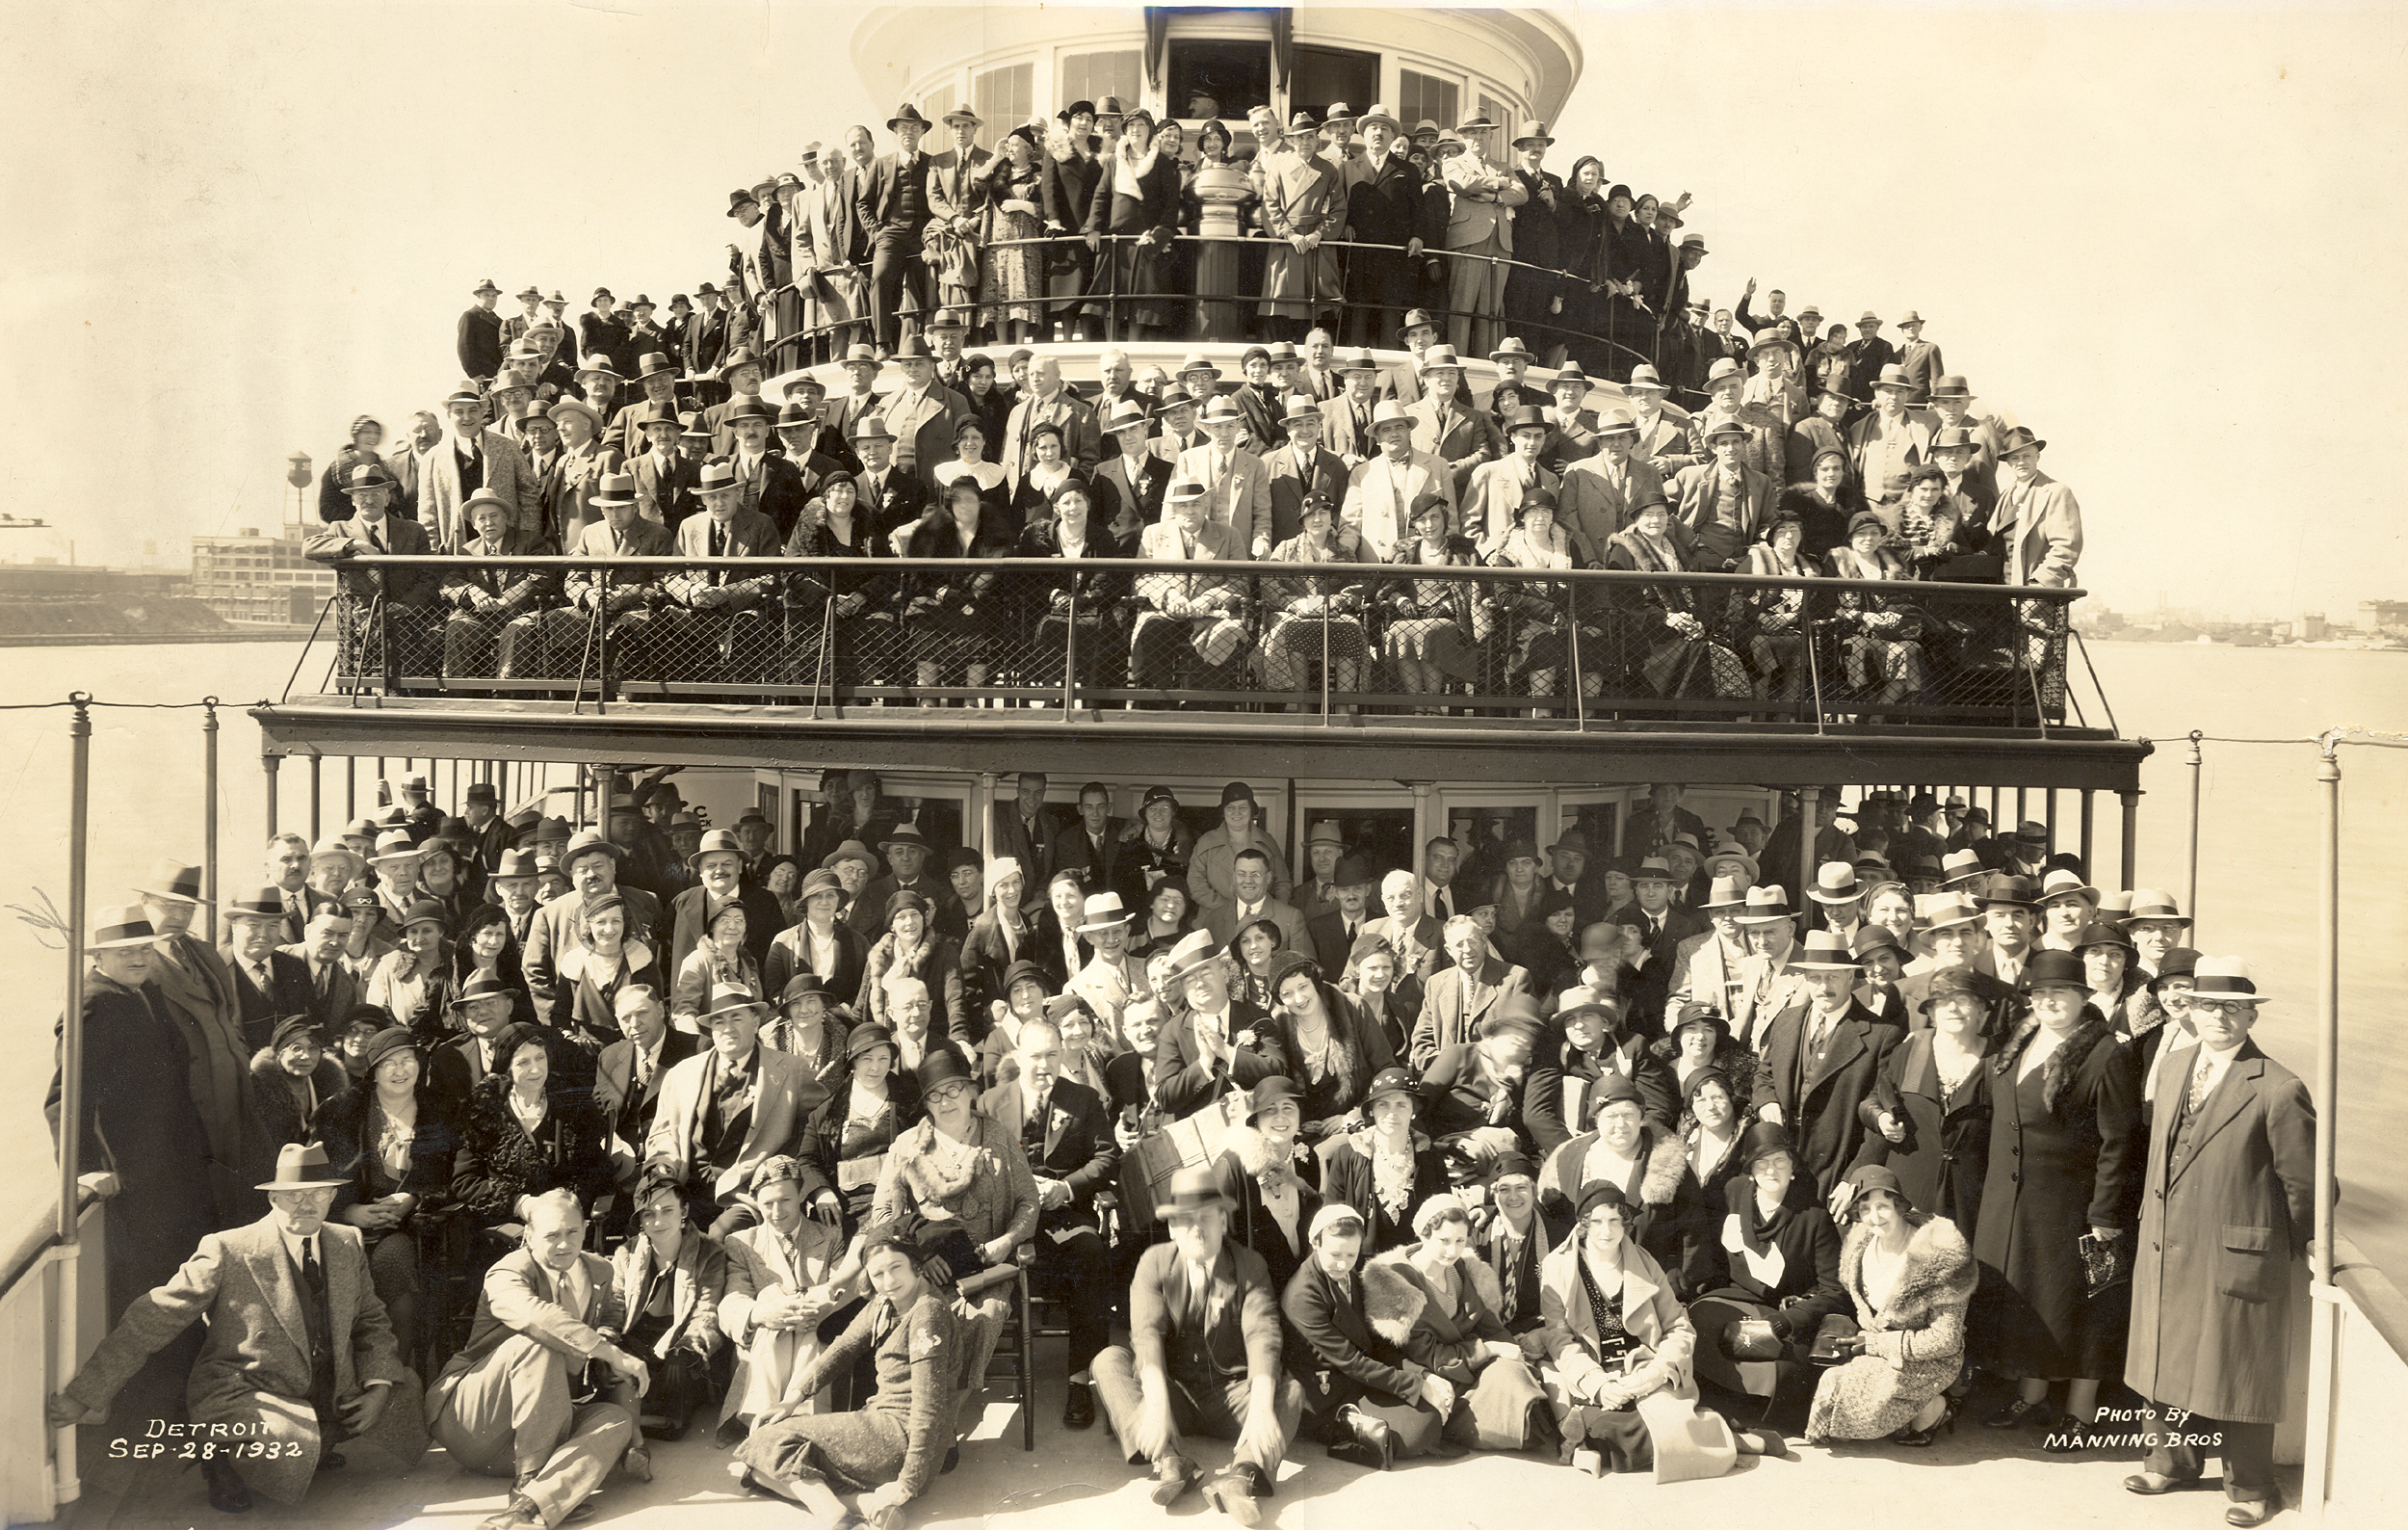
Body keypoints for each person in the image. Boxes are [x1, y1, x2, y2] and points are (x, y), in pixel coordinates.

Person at [48, 1143, 409, 1515]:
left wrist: (378, 1387)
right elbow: (150, 1319)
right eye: (294, 1195)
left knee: (403, 1395)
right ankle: (221, 1460)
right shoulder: (228, 1249)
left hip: (325, 1385)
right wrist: (84, 1394)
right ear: (273, 1198)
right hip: (248, 1388)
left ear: (332, 1196)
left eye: (317, 1194)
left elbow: (371, 1319)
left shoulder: (346, 1241)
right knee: (290, 1441)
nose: (306, 1205)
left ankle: (316, 1441)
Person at [1973, 947, 2143, 1445]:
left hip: (2071, 1205)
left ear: (2083, 997)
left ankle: (2081, 1411)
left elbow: (2119, 1142)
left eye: (2061, 992)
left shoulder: (2105, 1054)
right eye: (2041, 993)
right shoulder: (2020, 1042)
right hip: (2013, 1203)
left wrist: (2105, 1213)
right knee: (2032, 1301)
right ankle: (2032, 1394)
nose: (2049, 1001)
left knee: (2080, 1308)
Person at [1094, 1165, 1304, 1524]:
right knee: (1108, 1361)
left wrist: (1260, 1407)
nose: (1197, 1228)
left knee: (1290, 1392)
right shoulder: (1154, 1263)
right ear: (1172, 1228)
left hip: (1231, 1397)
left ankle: (1242, 1475)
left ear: (1223, 1222)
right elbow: (1146, 1333)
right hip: (1173, 1397)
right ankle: (1171, 1462)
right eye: (1185, 1220)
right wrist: (1156, 1405)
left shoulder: (1249, 1265)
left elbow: (1262, 1333)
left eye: (1206, 1217)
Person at [427, 1188, 646, 1529]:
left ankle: (529, 1506)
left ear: (585, 1229)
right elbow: (538, 1318)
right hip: (474, 1420)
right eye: (552, 1235)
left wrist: (606, 1341)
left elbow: (609, 1313)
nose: (564, 1244)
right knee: (540, 1342)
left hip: (532, 1432)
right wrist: (610, 1354)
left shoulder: (599, 1270)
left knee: (616, 1420)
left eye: (572, 1232)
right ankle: (534, 1478)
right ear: (528, 1236)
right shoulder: (507, 1270)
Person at [1803, 1166, 1977, 1446]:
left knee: (1839, 1388)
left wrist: (1875, 1345)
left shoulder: (1941, 1255)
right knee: (1825, 1379)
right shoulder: (1859, 1246)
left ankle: (1933, 1409)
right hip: (1878, 1348)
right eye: (1865, 1209)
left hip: (1927, 1359)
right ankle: (1913, 1412)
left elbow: (1945, 1340)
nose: (1874, 1218)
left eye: (1883, 1206)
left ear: (1899, 1205)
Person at [1283, 1202, 1463, 1468]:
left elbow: (1373, 1343)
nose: (1343, 1263)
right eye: (1335, 1254)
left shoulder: (1349, 1277)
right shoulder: (1303, 1295)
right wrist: (1417, 1386)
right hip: (1326, 1394)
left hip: (1356, 1378)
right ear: (1315, 1243)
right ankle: (1338, 1429)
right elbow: (1352, 1362)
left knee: (1431, 1415)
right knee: (1421, 1429)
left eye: (1351, 1254)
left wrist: (1423, 1374)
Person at [644, 983, 824, 1238]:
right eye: (719, 1022)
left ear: (755, 1022)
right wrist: (665, 1165)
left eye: (736, 1018)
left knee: (719, 1238)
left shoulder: (791, 1070)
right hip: (687, 1188)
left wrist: (782, 1173)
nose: (727, 1028)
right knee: (663, 1237)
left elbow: (819, 1127)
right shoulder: (682, 1073)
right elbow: (662, 1133)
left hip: (748, 1193)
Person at [1685, 1122, 1849, 1400]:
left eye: (1779, 1161)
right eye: (1761, 1163)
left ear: (1793, 1166)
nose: (1771, 1170)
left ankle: (1752, 1410)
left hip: (1785, 1310)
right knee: (1699, 1329)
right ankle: (1715, 1405)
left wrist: (1786, 1320)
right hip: (1735, 1297)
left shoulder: (1814, 1217)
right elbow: (1709, 1251)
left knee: (1784, 1368)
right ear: (1750, 1169)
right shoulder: (1733, 1193)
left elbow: (1835, 1291)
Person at [1749, 928, 1901, 1211]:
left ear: (1850, 976)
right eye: (1815, 977)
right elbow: (1764, 1075)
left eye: (1832, 976)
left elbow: (1880, 1115)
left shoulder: (1881, 1035)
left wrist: (1856, 1176)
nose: (1823, 987)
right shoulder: (1787, 1020)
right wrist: (1766, 1100)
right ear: (1805, 978)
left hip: (1836, 1174)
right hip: (1782, 1165)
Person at [607, 1168, 728, 1444]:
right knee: (617, 1362)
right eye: (648, 1214)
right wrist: (608, 1344)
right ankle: (631, 1422)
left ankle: (649, 1419)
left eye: (667, 1211)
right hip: (640, 1340)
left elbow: (706, 1313)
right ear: (640, 1220)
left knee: (678, 1367)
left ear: (684, 1210)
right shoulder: (627, 1253)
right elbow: (614, 1306)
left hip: (680, 1344)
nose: (658, 1221)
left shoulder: (710, 1252)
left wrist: (688, 1345)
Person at [1316, 1065, 1452, 1255]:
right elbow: (1332, 1217)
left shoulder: (1430, 1156)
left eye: (1401, 1105)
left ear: (1413, 1110)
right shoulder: (1348, 1155)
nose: (1391, 1113)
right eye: (1383, 1104)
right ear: (1371, 1110)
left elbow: (1444, 1214)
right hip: (1360, 1262)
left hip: (1417, 1261)